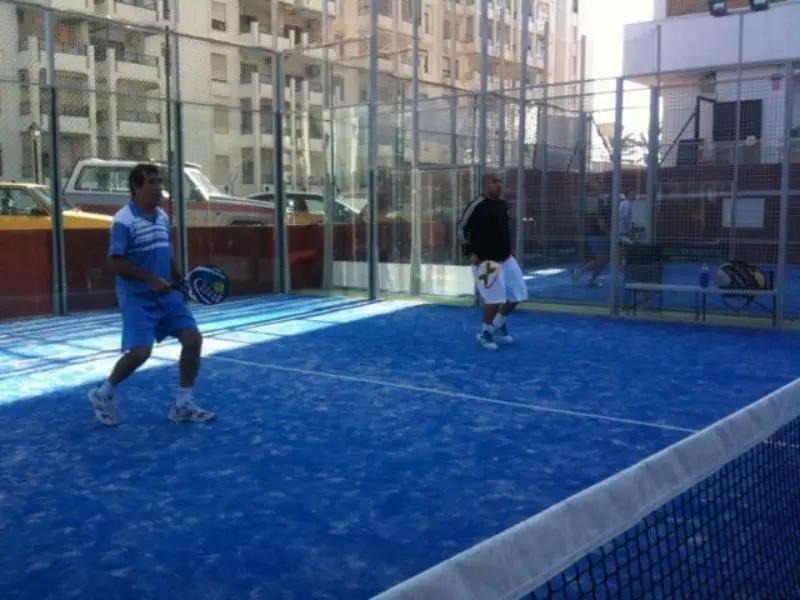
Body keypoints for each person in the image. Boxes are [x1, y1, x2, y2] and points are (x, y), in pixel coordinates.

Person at [88, 163, 215, 426]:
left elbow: (166, 254)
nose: (159, 188)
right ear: (136, 188)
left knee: (193, 339)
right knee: (140, 353)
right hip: (137, 298)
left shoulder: (162, 217)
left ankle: (182, 404)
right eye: (152, 183)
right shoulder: (124, 220)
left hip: (167, 296)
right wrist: (150, 279)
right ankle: (104, 394)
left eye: (160, 182)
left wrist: (180, 279)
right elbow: (115, 262)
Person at [458, 173, 528, 350]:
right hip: (485, 261)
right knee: (494, 299)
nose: (498, 185)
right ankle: (485, 332)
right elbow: (461, 229)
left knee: (518, 294)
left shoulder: (502, 204)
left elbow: (502, 230)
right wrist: (469, 252)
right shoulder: (477, 205)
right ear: (484, 185)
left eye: (499, 182)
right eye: (494, 182)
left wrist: (508, 248)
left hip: (506, 258)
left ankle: (497, 325)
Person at [572, 196, 612, 287]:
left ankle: (593, 279)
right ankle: (579, 271)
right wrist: (610, 234)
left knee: (605, 260)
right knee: (601, 259)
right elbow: (601, 224)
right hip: (598, 237)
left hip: (602, 237)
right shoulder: (606, 210)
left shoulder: (611, 211)